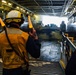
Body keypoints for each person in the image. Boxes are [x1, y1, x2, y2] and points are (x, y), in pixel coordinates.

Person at [0, 10, 41, 75]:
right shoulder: (25, 36)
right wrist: (35, 39)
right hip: (21, 71)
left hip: (6, 71)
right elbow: (36, 54)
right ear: (21, 21)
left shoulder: (1, 36)